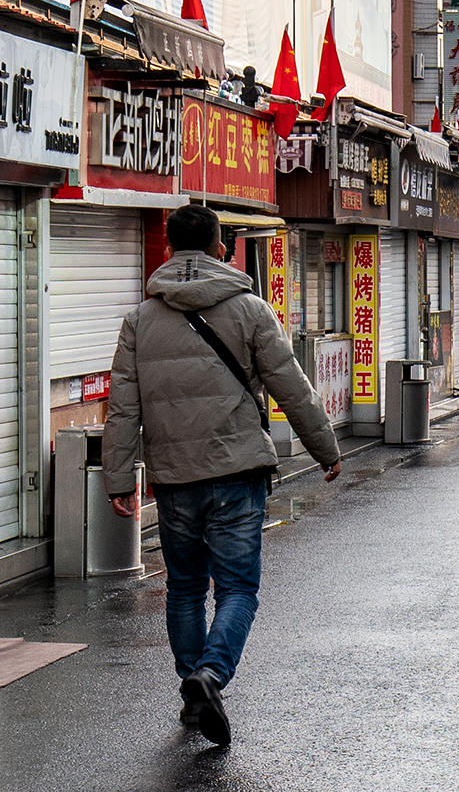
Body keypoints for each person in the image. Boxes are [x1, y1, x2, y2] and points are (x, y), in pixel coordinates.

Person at [104, 205, 351, 751]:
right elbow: (292, 386)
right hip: (238, 472)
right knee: (237, 587)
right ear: (221, 247)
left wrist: (119, 479)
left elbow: (123, 407)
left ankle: (193, 693)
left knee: (186, 587)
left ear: (167, 250)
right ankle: (211, 676)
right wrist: (325, 448)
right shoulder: (251, 310)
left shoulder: (140, 321)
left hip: (174, 479)